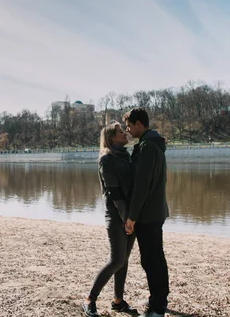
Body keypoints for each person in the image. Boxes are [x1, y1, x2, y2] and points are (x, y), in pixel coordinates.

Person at [82, 122, 138, 317]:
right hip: (117, 217)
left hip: (130, 216)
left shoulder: (126, 156)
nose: (125, 133)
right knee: (116, 260)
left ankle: (118, 301)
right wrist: (126, 219)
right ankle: (90, 299)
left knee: (124, 260)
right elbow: (114, 193)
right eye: (121, 132)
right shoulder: (107, 159)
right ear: (112, 138)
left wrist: (132, 216)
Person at [123, 108, 170, 317]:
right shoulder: (154, 144)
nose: (128, 130)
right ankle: (160, 298)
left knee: (150, 260)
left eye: (130, 126)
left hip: (148, 214)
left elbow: (142, 185)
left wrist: (132, 216)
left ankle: (157, 307)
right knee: (157, 257)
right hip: (156, 211)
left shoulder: (147, 147)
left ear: (139, 124)